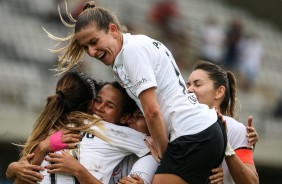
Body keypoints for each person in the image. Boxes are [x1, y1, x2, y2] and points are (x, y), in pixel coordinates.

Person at [45, 1, 227, 183]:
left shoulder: (132, 52)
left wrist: (164, 155)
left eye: (94, 42)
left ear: (114, 30)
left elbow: (152, 111)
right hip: (200, 130)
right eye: (86, 47)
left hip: (193, 133)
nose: (91, 52)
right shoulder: (124, 57)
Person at [6, 71, 151, 184]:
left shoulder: (49, 135)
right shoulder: (102, 131)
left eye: (109, 106)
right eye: (98, 101)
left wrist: (12, 168)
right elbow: (162, 146)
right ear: (90, 104)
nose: (100, 108)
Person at [186, 60, 259, 184]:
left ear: (219, 92)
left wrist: (226, 146)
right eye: (188, 85)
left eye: (197, 84)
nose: (189, 90)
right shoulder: (180, 125)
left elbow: (251, 182)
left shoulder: (235, 129)